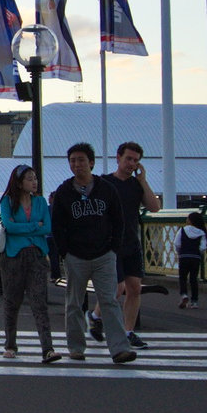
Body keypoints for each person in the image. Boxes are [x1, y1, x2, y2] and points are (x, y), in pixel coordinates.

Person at [48, 143, 137, 363]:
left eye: (80, 160)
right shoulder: (64, 192)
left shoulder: (106, 189)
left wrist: (113, 248)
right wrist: (65, 251)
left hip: (104, 254)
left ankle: (119, 348)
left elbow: (118, 220)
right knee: (74, 303)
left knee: (109, 300)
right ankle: (76, 347)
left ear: (91, 162)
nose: (76, 164)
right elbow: (58, 225)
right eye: (72, 161)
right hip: (76, 255)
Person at [91, 141, 162, 349]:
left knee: (134, 288)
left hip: (132, 241)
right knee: (117, 287)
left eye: (135, 161)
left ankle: (128, 331)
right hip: (110, 243)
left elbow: (154, 207)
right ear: (118, 158)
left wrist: (143, 181)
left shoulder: (137, 185)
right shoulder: (104, 183)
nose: (131, 164)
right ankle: (95, 315)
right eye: (128, 159)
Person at [0, 164, 59, 363]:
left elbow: (47, 227)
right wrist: (34, 226)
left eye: (35, 178)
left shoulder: (40, 202)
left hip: (37, 256)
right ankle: (10, 344)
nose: (34, 182)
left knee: (39, 302)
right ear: (19, 182)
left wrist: (28, 228)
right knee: (12, 301)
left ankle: (47, 349)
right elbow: (10, 226)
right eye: (30, 179)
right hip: (13, 256)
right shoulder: (7, 202)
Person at [176, 213, 207, 309]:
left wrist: (180, 253)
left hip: (184, 256)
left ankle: (184, 295)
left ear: (190, 221)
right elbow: (203, 248)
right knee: (193, 279)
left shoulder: (182, 230)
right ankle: (194, 301)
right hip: (195, 257)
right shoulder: (201, 233)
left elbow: (177, 244)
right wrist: (197, 253)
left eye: (187, 219)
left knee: (182, 277)